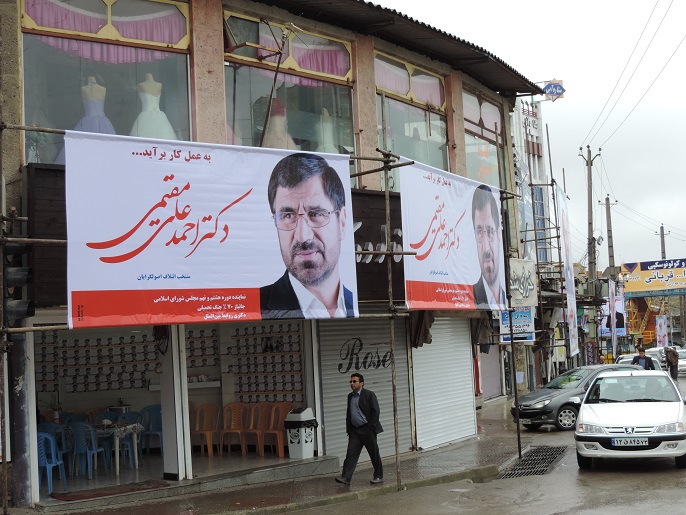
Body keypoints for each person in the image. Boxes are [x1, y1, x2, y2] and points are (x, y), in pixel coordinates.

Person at [260, 153, 354, 319]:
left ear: (342, 222)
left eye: (316, 213)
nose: (303, 236)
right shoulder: (257, 308)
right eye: (288, 216)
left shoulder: (356, 303)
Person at [335, 373, 383, 486]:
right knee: (351, 454)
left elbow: (375, 411)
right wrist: (349, 429)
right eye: (351, 381)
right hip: (355, 431)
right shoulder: (350, 396)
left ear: (361, 383)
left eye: (354, 381)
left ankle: (378, 476)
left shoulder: (369, 394)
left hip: (367, 430)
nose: (352, 383)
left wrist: (370, 427)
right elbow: (349, 413)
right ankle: (346, 477)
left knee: (374, 453)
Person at [471, 184, 506, 309]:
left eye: (490, 231)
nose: (486, 248)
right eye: (480, 232)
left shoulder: (507, 297)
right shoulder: (471, 297)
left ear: (499, 237)